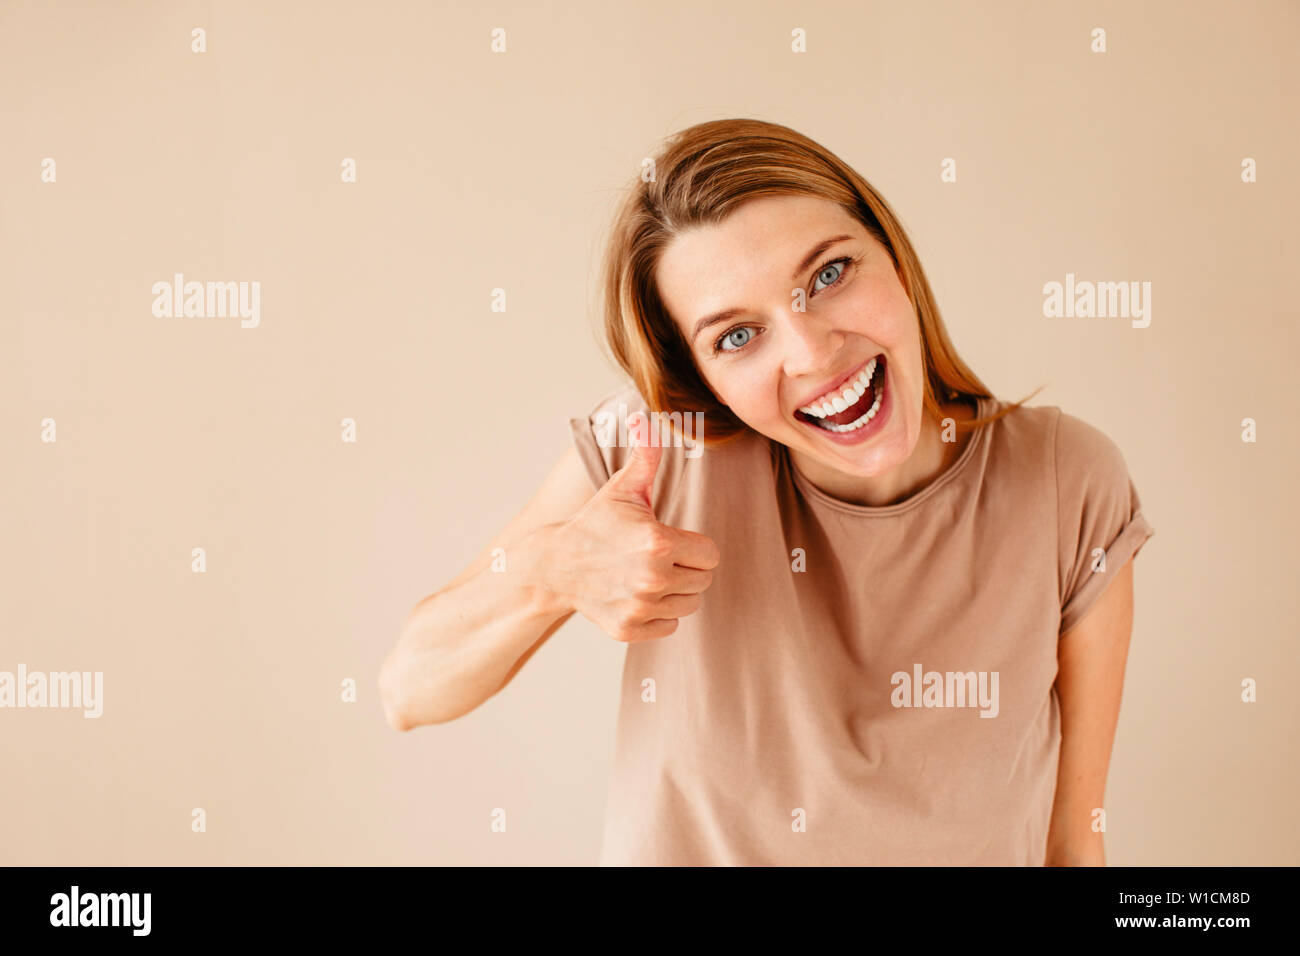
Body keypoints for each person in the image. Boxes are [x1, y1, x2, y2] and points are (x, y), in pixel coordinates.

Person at [379, 118, 1155, 866]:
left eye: (828, 274)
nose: (813, 352)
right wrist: (550, 575)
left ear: (895, 258)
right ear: (701, 378)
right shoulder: (659, 454)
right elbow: (408, 688)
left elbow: (1073, 845)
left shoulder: (1068, 481)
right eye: (737, 336)